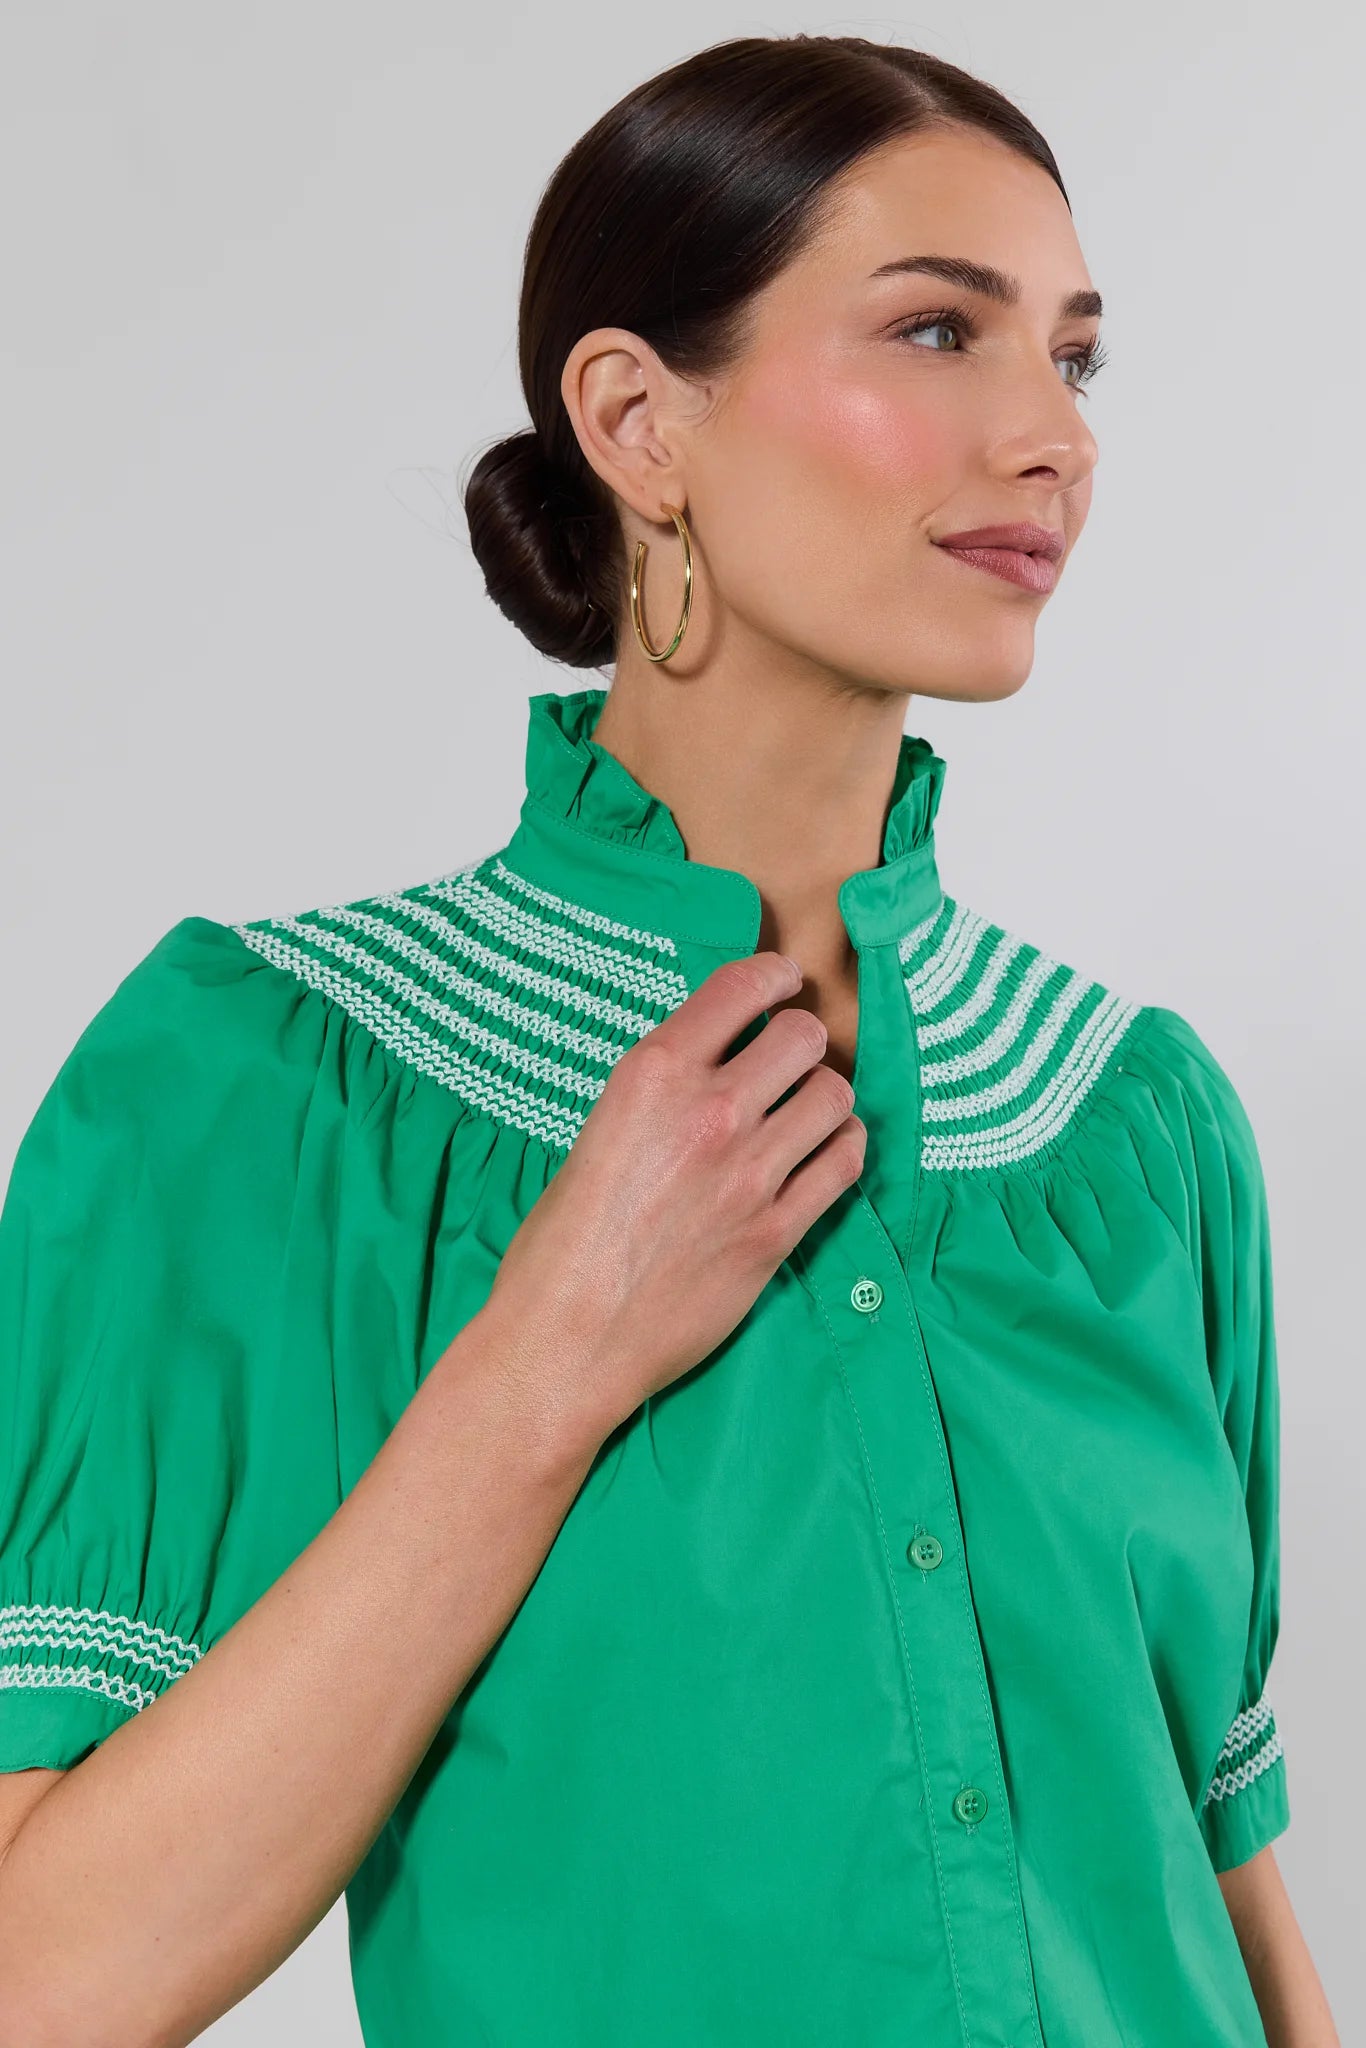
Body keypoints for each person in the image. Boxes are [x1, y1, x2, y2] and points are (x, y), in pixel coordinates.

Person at [0, 32, 1339, 2048]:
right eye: (930, 331)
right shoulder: (281, 1093)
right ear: (635, 419)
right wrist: (550, 1354)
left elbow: (1227, 1884)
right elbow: (45, 1978)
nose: (1046, 435)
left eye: (1069, 358)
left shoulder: (1127, 1127)